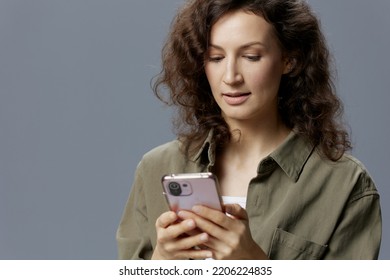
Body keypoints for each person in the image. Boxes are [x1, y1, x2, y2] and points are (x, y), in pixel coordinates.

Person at [116, 0, 382, 259]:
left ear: (289, 60)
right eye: (216, 57)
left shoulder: (345, 185)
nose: (231, 76)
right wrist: (162, 261)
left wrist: (253, 265)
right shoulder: (155, 168)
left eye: (251, 56)